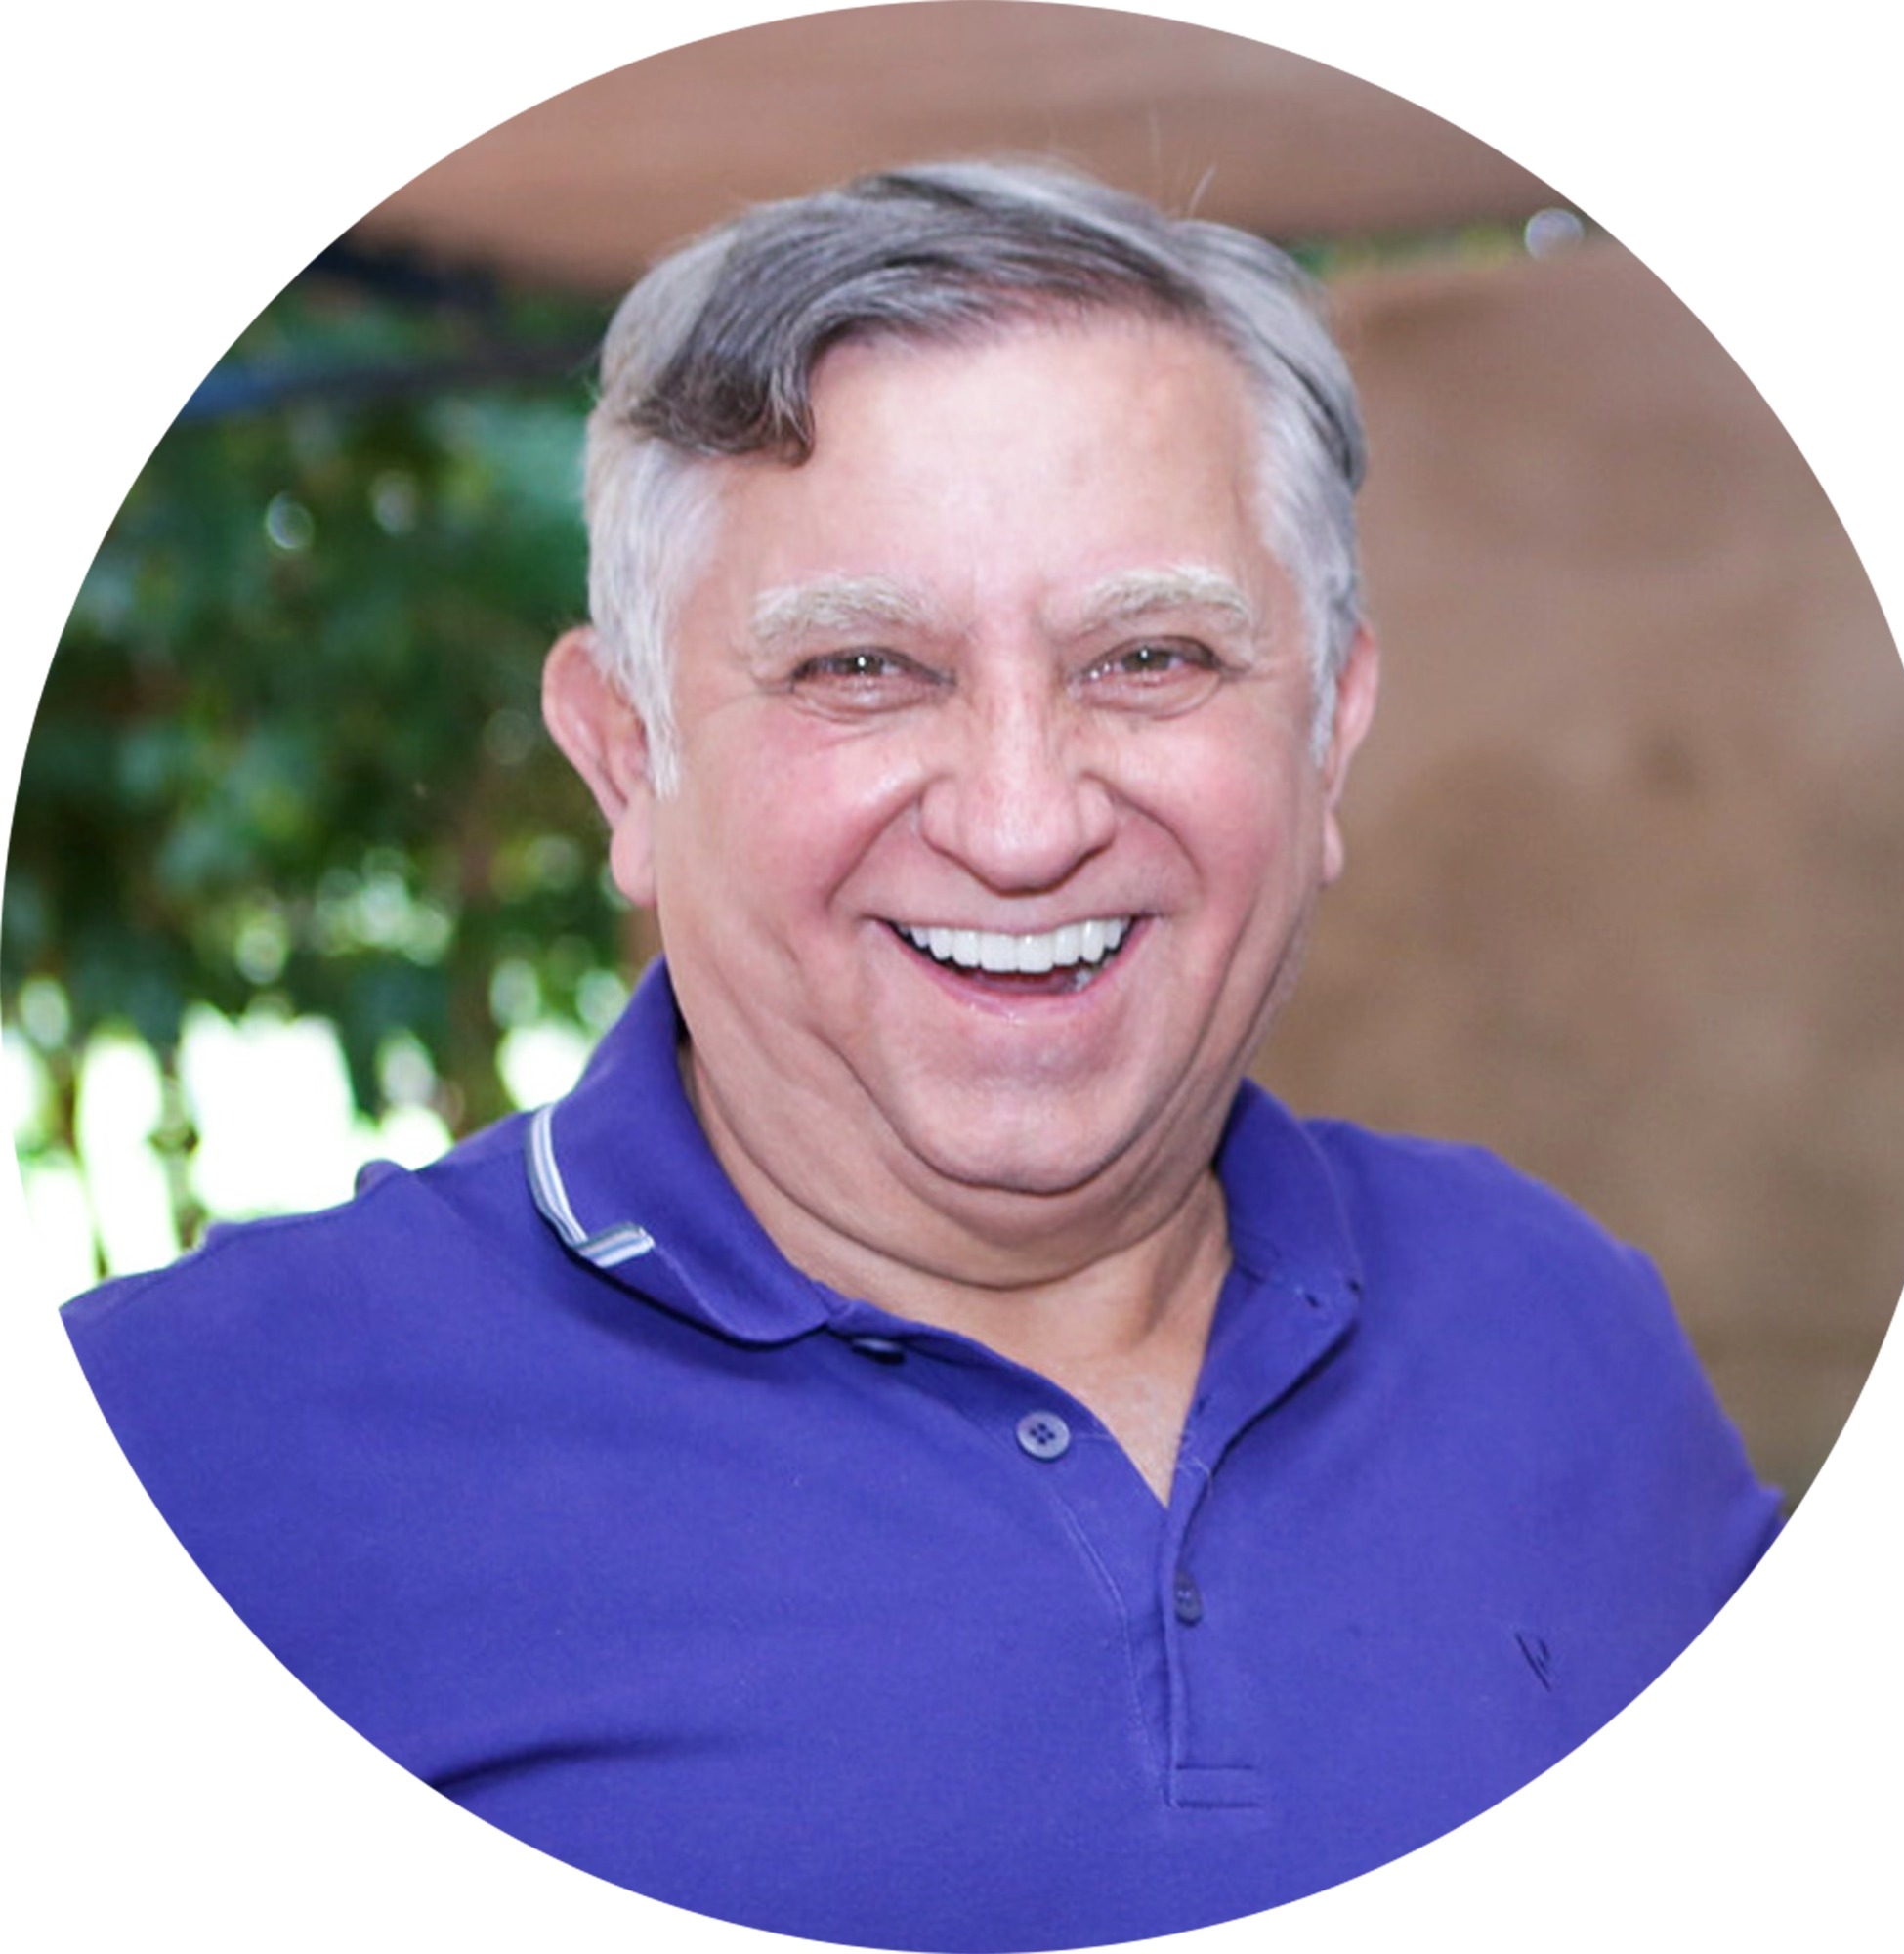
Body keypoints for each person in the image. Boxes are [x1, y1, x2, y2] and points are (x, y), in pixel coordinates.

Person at [63, 162, 1779, 1952]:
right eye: (862, 666)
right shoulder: (186, 1453)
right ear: (627, 758)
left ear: (1329, 739)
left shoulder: (1560, 1332)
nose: (1024, 824)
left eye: (1151, 656)